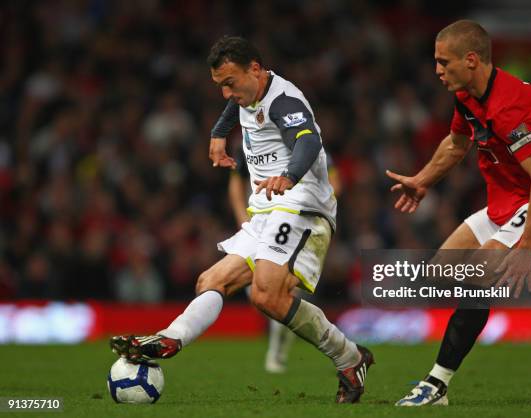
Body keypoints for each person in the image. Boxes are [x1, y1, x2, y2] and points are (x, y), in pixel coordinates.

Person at [110, 36, 373, 403]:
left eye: (229, 83)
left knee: (266, 293)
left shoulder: (285, 101)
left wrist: (290, 176)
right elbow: (238, 106)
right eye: (219, 86)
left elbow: (308, 140)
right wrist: (219, 134)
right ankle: (170, 338)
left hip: (300, 205)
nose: (225, 93)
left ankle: (349, 356)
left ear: (255, 68)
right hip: (266, 208)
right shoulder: (251, 92)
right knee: (212, 280)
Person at [386, 20, 531, 406]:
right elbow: (457, 143)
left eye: (444, 62)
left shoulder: (508, 107)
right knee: (440, 272)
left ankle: (437, 383)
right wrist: (424, 179)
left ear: (472, 60)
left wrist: (526, 247)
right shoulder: (468, 95)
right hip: (507, 202)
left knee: (477, 276)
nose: (437, 70)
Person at [229, 148, 342, 373]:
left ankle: (277, 353)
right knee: (262, 295)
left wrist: (313, 207)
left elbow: (335, 181)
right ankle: (283, 344)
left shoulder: (307, 143)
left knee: (281, 291)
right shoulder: (254, 144)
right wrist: (243, 220)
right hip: (260, 222)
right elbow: (235, 184)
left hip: (294, 223)